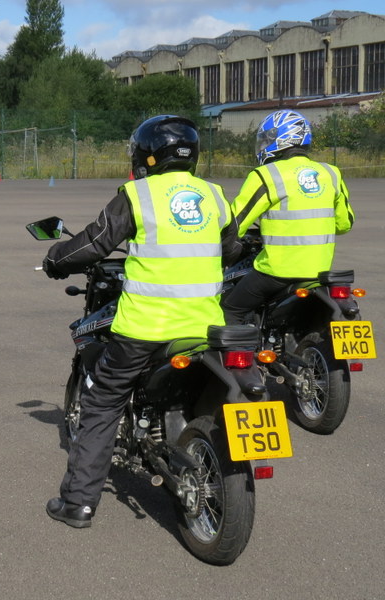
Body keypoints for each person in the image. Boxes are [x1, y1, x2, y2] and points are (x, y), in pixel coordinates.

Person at [40, 115, 241, 527]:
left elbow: (95, 243)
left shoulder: (138, 195)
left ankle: (78, 503)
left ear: (147, 156)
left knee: (102, 402)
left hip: (144, 330)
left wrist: (55, 259)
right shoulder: (215, 195)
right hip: (204, 328)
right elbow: (232, 248)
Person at [221, 109, 355, 324]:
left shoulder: (267, 175)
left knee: (229, 309)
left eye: (267, 139)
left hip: (276, 273)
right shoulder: (331, 173)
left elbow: (234, 224)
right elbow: (345, 224)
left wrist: (223, 249)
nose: (263, 144)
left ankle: (246, 357)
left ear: (280, 139)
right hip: (319, 272)